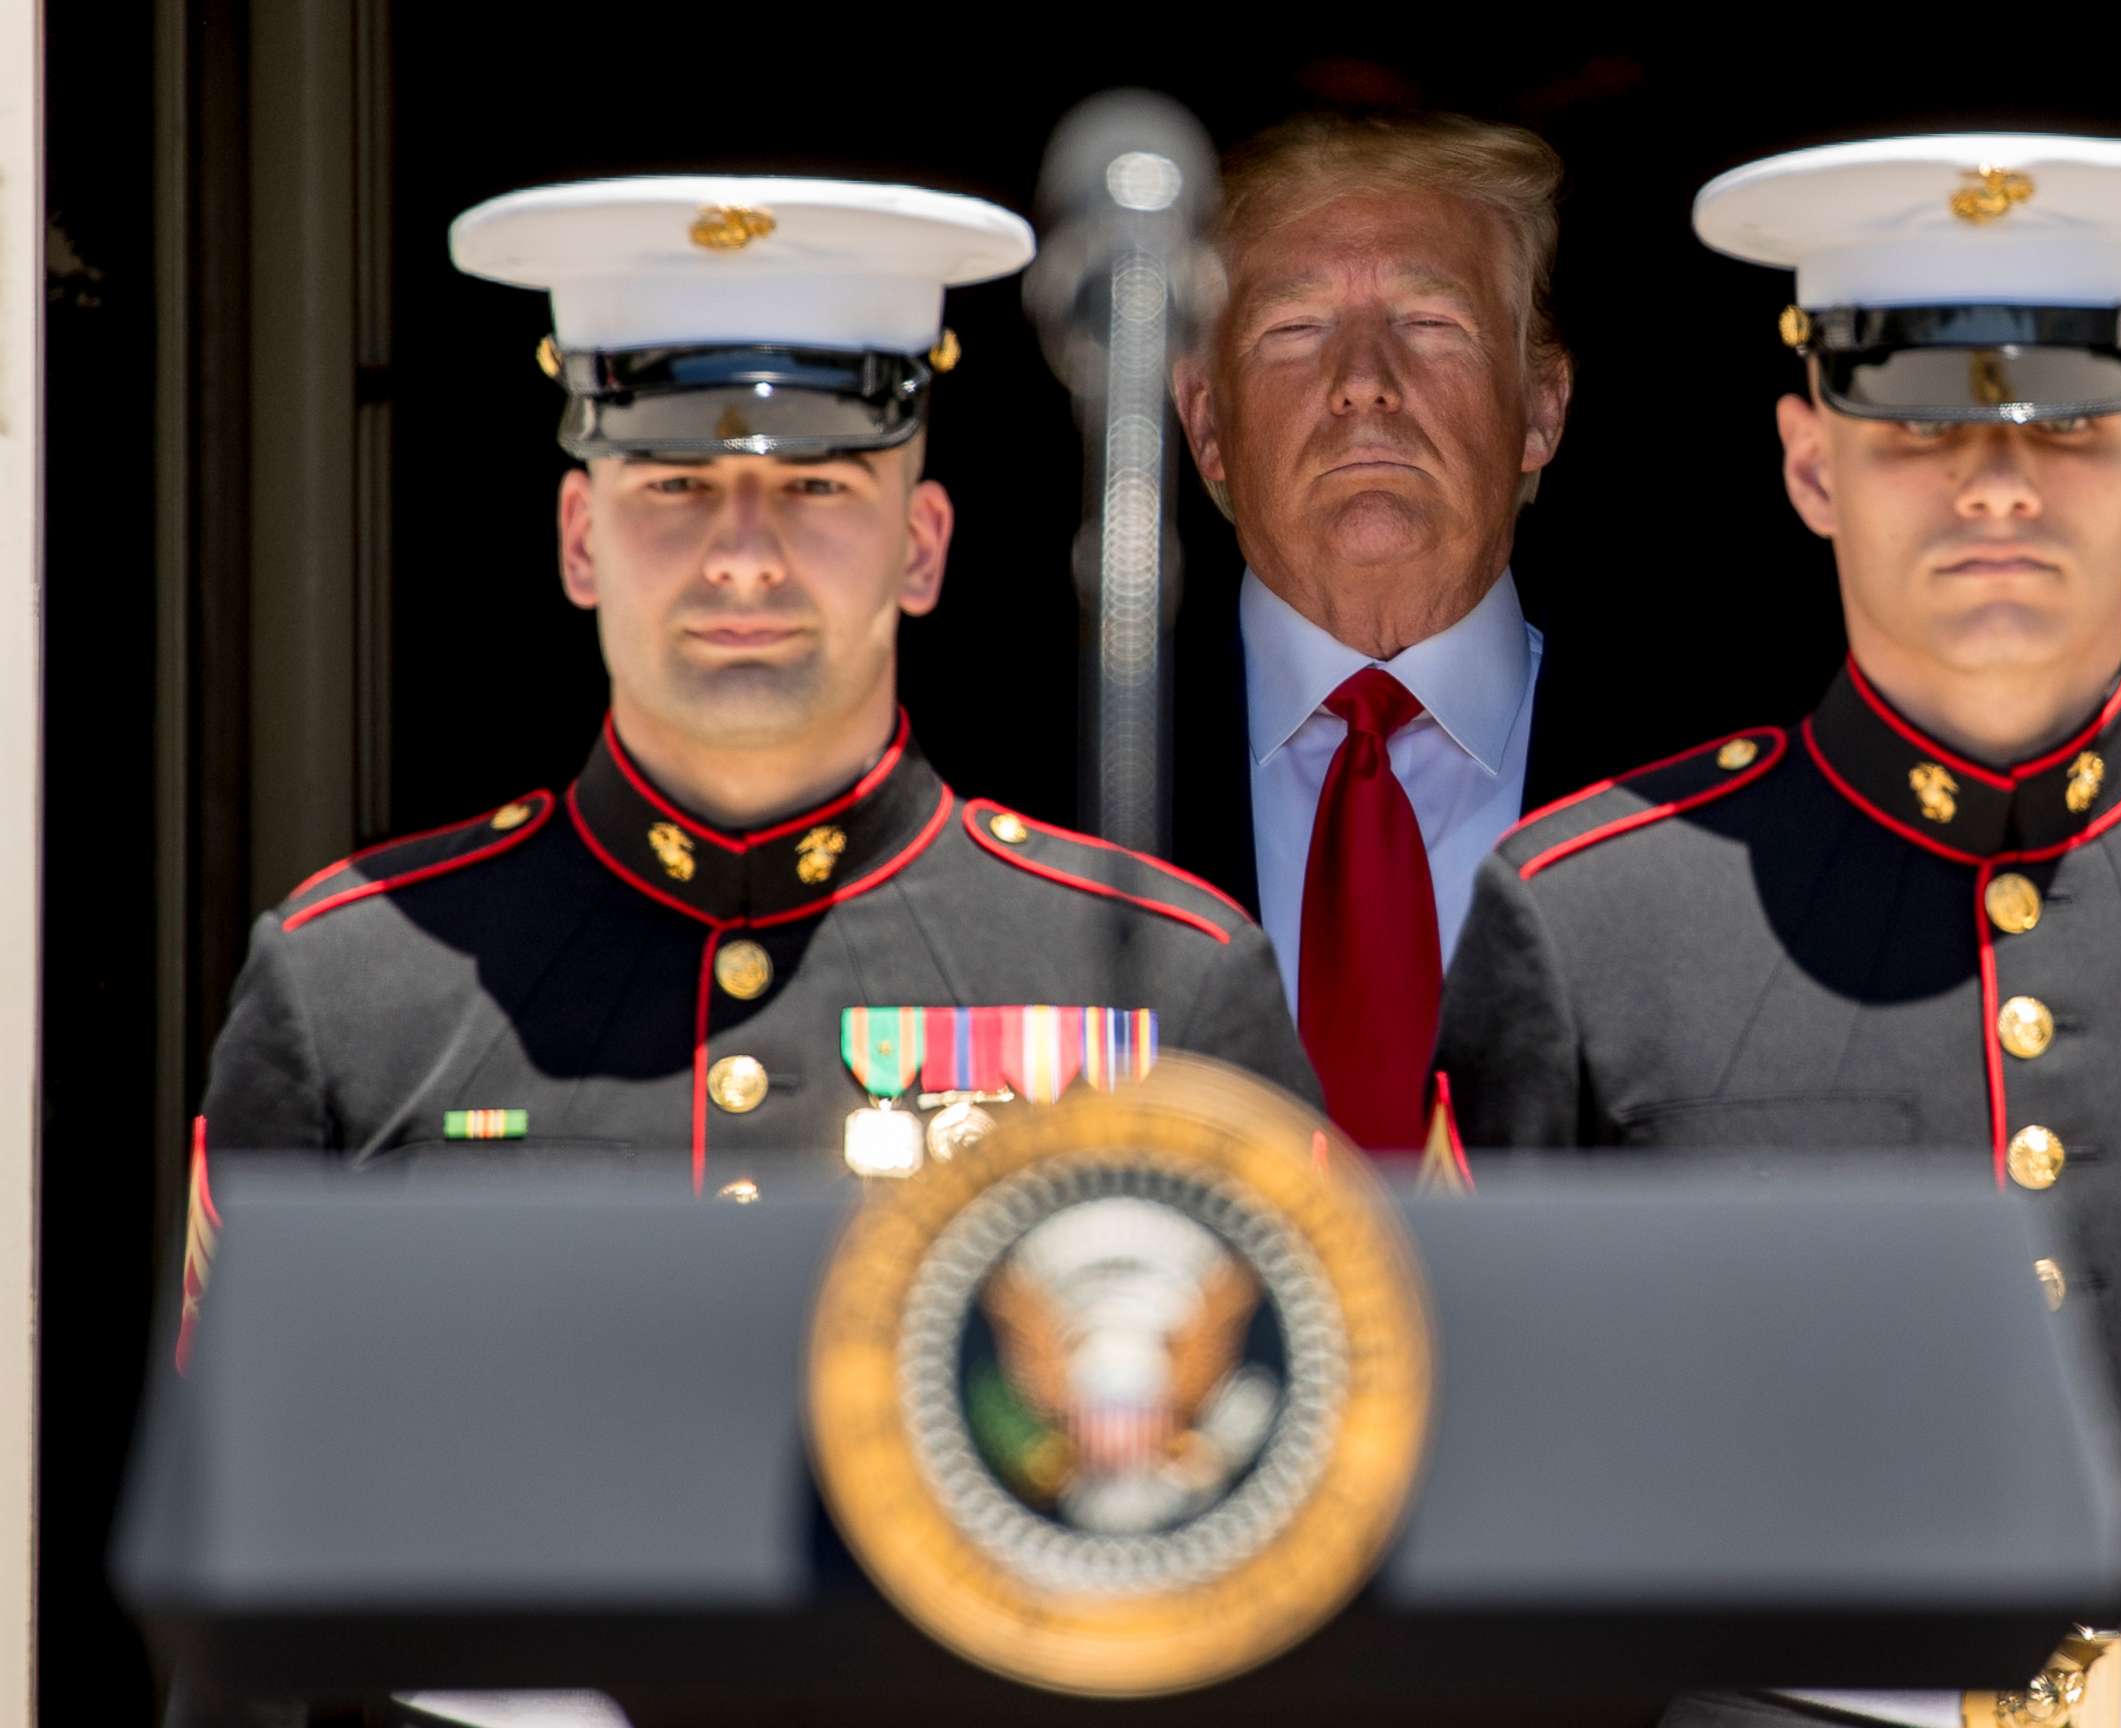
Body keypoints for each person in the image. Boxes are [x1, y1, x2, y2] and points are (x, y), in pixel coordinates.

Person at [1433, 135, 2121, 1726]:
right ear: (1809, 464)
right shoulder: (1595, 925)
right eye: (1914, 428)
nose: (1995, 484)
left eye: (2069, 422)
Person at [179, 174, 1318, 1366]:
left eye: (815, 488)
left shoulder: (1160, 986)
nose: (741, 558)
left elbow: (1284, 1473)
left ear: (922, 548)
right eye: (676, 488)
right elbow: (244, 1502)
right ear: (579, 541)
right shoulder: (357, 994)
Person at [1167, 113, 1578, 1152]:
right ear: (1207, 424)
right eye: (1294, 330)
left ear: (1540, 407)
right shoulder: (1072, 772)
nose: (1362, 381)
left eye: (1432, 324)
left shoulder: (1702, 786)